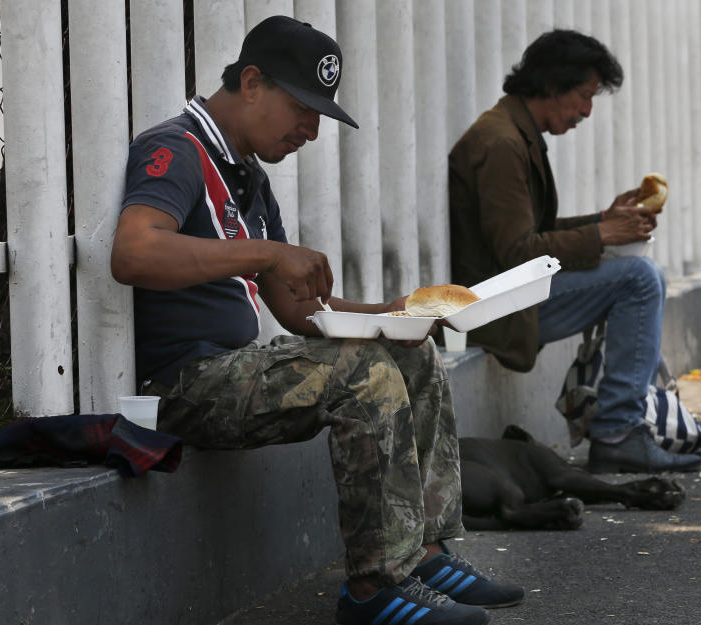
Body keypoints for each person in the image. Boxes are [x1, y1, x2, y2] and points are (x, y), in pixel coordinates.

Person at [111, 16, 520, 625]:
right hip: (181, 383)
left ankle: (425, 553)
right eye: (303, 107)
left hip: (233, 373)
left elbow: (299, 311)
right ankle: (374, 590)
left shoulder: (246, 173)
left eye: (320, 113)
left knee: (409, 352)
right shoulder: (175, 150)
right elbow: (134, 252)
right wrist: (268, 252)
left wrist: (401, 313)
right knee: (365, 374)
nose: (311, 129)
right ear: (252, 83)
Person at [448, 29, 701, 474]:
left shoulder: (513, 132)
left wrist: (603, 220)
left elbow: (532, 233)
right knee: (640, 279)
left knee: (647, 275)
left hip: (512, 295)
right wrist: (603, 234)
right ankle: (619, 431)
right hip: (495, 309)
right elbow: (518, 251)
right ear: (550, 86)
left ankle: (621, 427)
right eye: (584, 96)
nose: (587, 110)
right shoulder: (502, 142)